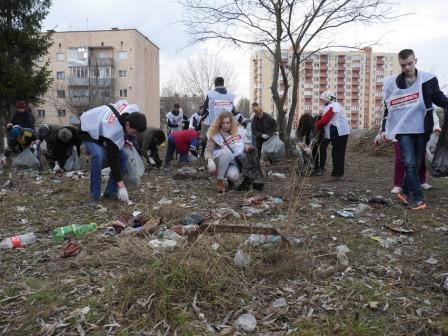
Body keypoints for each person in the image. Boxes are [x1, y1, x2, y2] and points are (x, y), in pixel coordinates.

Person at [381, 49, 448, 210]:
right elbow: (388, 108)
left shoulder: (428, 80)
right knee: (410, 163)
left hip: (423, 129)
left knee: (416, 163)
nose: (407, 67)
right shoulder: (393, 84)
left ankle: (404, 190)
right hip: (403, 130)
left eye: (410, 63)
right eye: (403, 65)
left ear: (415, 61)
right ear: (400, 64)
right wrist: (384, 129)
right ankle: (416, 198)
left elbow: (438, 98)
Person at [79, 100, 147, 206]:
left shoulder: (132, 113)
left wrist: (127, 138)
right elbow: (113, 159)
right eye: (133, 132)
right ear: (127, 124)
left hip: (101, 130)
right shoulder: (113, 129)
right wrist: (122, 185)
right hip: (88, 129)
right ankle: (95, 196)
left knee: (124, 155)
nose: (134, 135)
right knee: (99, 155)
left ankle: (110, 191)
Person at [376, 109, 441, 193]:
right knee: (400, 159)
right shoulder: (397, 98)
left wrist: (436, 126)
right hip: (400, 133)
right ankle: (398, 185)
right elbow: (388, 115)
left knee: (421, 158)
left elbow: (431, 111)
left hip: (420, 132)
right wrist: (382, 131)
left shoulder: (423, 96)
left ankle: (422, 181)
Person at [204, 112, 252, 192]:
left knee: (234, 176)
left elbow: (239, 144)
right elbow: (208, 150)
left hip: (232, 161)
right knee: (226, 152)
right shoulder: (215, 135)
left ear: (231, 122)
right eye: (223, 123)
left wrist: (247, 147)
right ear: (219, 124)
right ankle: (220, 180)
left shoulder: (237, 131)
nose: (225, 125)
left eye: (227, 123)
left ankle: (230, 181)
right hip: (219, 161)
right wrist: (209, 160)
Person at [315, 91, 350, 179]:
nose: (321, 101)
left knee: (338, 153)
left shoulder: (333, 106)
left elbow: (325, 120)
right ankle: (335, 172)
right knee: (334, 151)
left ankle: (337, 173)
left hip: (339, 132)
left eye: (322, 99)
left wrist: (315, 126)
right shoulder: (330, 105)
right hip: (336, 132)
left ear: (327, 99)